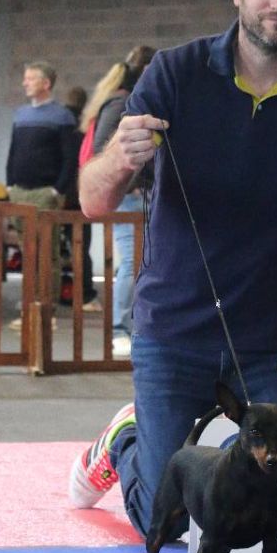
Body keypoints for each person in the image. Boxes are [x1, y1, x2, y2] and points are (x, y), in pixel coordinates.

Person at [69, 0, 277, 544]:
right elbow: (93, 202)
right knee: (174, 521)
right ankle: (124, 441)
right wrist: (120, 156)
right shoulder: (173, 73)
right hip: (173, 333)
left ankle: (163, 449)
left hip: (274, 341)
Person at [78, 45, 156, 355]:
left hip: (139, 198)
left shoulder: (125, 100)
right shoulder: (122, 103)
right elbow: (103, 151)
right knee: (132, 264)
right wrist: (132, 185)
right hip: (129, 199)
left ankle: (130, 327)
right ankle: (119, 329)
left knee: (139, 263)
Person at [5, 60, 78, 330]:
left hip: (45, 193)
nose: (25, 82)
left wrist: (57, 190)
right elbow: (13, 151)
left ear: (46, 83)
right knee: (27, 253)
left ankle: (47, 310)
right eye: (25, 78)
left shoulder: (62, 116)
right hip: (19, 192)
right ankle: (29, 308)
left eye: (30, 78)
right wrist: (10, 185)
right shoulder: (21, 114)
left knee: (47, 253)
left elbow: (70, 158)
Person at [62, 85, 100, 311]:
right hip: (80, 194)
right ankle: (85, 293)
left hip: (61, 193)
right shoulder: (87, 126)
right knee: (81, 246)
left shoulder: (61, 123)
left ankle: (54, 291)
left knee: (53, 247)